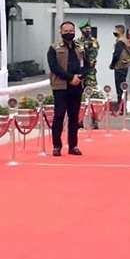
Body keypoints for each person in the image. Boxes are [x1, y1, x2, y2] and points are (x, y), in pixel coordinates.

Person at [47, 21, 88, 157]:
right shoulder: (54, 48)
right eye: (66, 31)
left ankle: (73, 146)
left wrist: (80, 77)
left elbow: (87, 65)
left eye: (71, 31)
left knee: (74, 117)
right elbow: (54, 67)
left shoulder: (80, 48)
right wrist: (70, 77)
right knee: (59, 115)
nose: (69, 33)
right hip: (61, 86)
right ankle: (57, 146)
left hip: (77, 86)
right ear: (61, 32)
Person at [109, 24, 130, 108]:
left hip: (120, 65)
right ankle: (122, 106)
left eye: (115, 30)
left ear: (119, 31)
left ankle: (120, 106)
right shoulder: (125, 40)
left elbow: (117, 54)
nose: (114, 32)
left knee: (119, 87)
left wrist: (112, 64)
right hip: (124, 65)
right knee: (123, 86)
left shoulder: (120, 41)